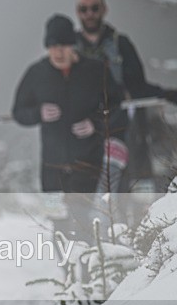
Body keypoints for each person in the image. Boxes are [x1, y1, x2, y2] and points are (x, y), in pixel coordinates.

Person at [12, 14, 126, 246]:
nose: (58, 52)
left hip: (87, 162)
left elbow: (116, 105)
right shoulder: (36, 73)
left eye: (63, 46)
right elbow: (18, 112)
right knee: (58, 224)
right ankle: (66, 267)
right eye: (53, 47)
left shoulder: (95, 70)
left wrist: (95, 123)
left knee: (84, 221)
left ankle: (88, 265)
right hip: (51, 167)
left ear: (72, 45)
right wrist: (38, 113)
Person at [74, 0, 177, 194]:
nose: (89, 14)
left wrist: (170, 95)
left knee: (129, 178)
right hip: (82, 128)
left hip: (120, 124)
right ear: (78, 12)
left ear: (104, 9)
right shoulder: (68, 48)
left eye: (94, 8)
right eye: (84, 9)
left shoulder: (120, 44)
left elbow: (139, 87)